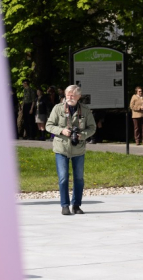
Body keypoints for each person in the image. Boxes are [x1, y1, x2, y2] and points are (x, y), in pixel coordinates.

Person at [45, 85, 96, 216]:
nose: (70, 97)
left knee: (79, 178)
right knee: (63, 178)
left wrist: (82, 135)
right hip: (61, 147)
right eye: (68, 94)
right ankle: (65, 205)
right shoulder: (58, 108)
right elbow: (48, 125)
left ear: (78, 96)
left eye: (73, 95)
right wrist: (61, 130)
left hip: (78, 149)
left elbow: (92, 127)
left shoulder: (85, 110)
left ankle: (77, 205)